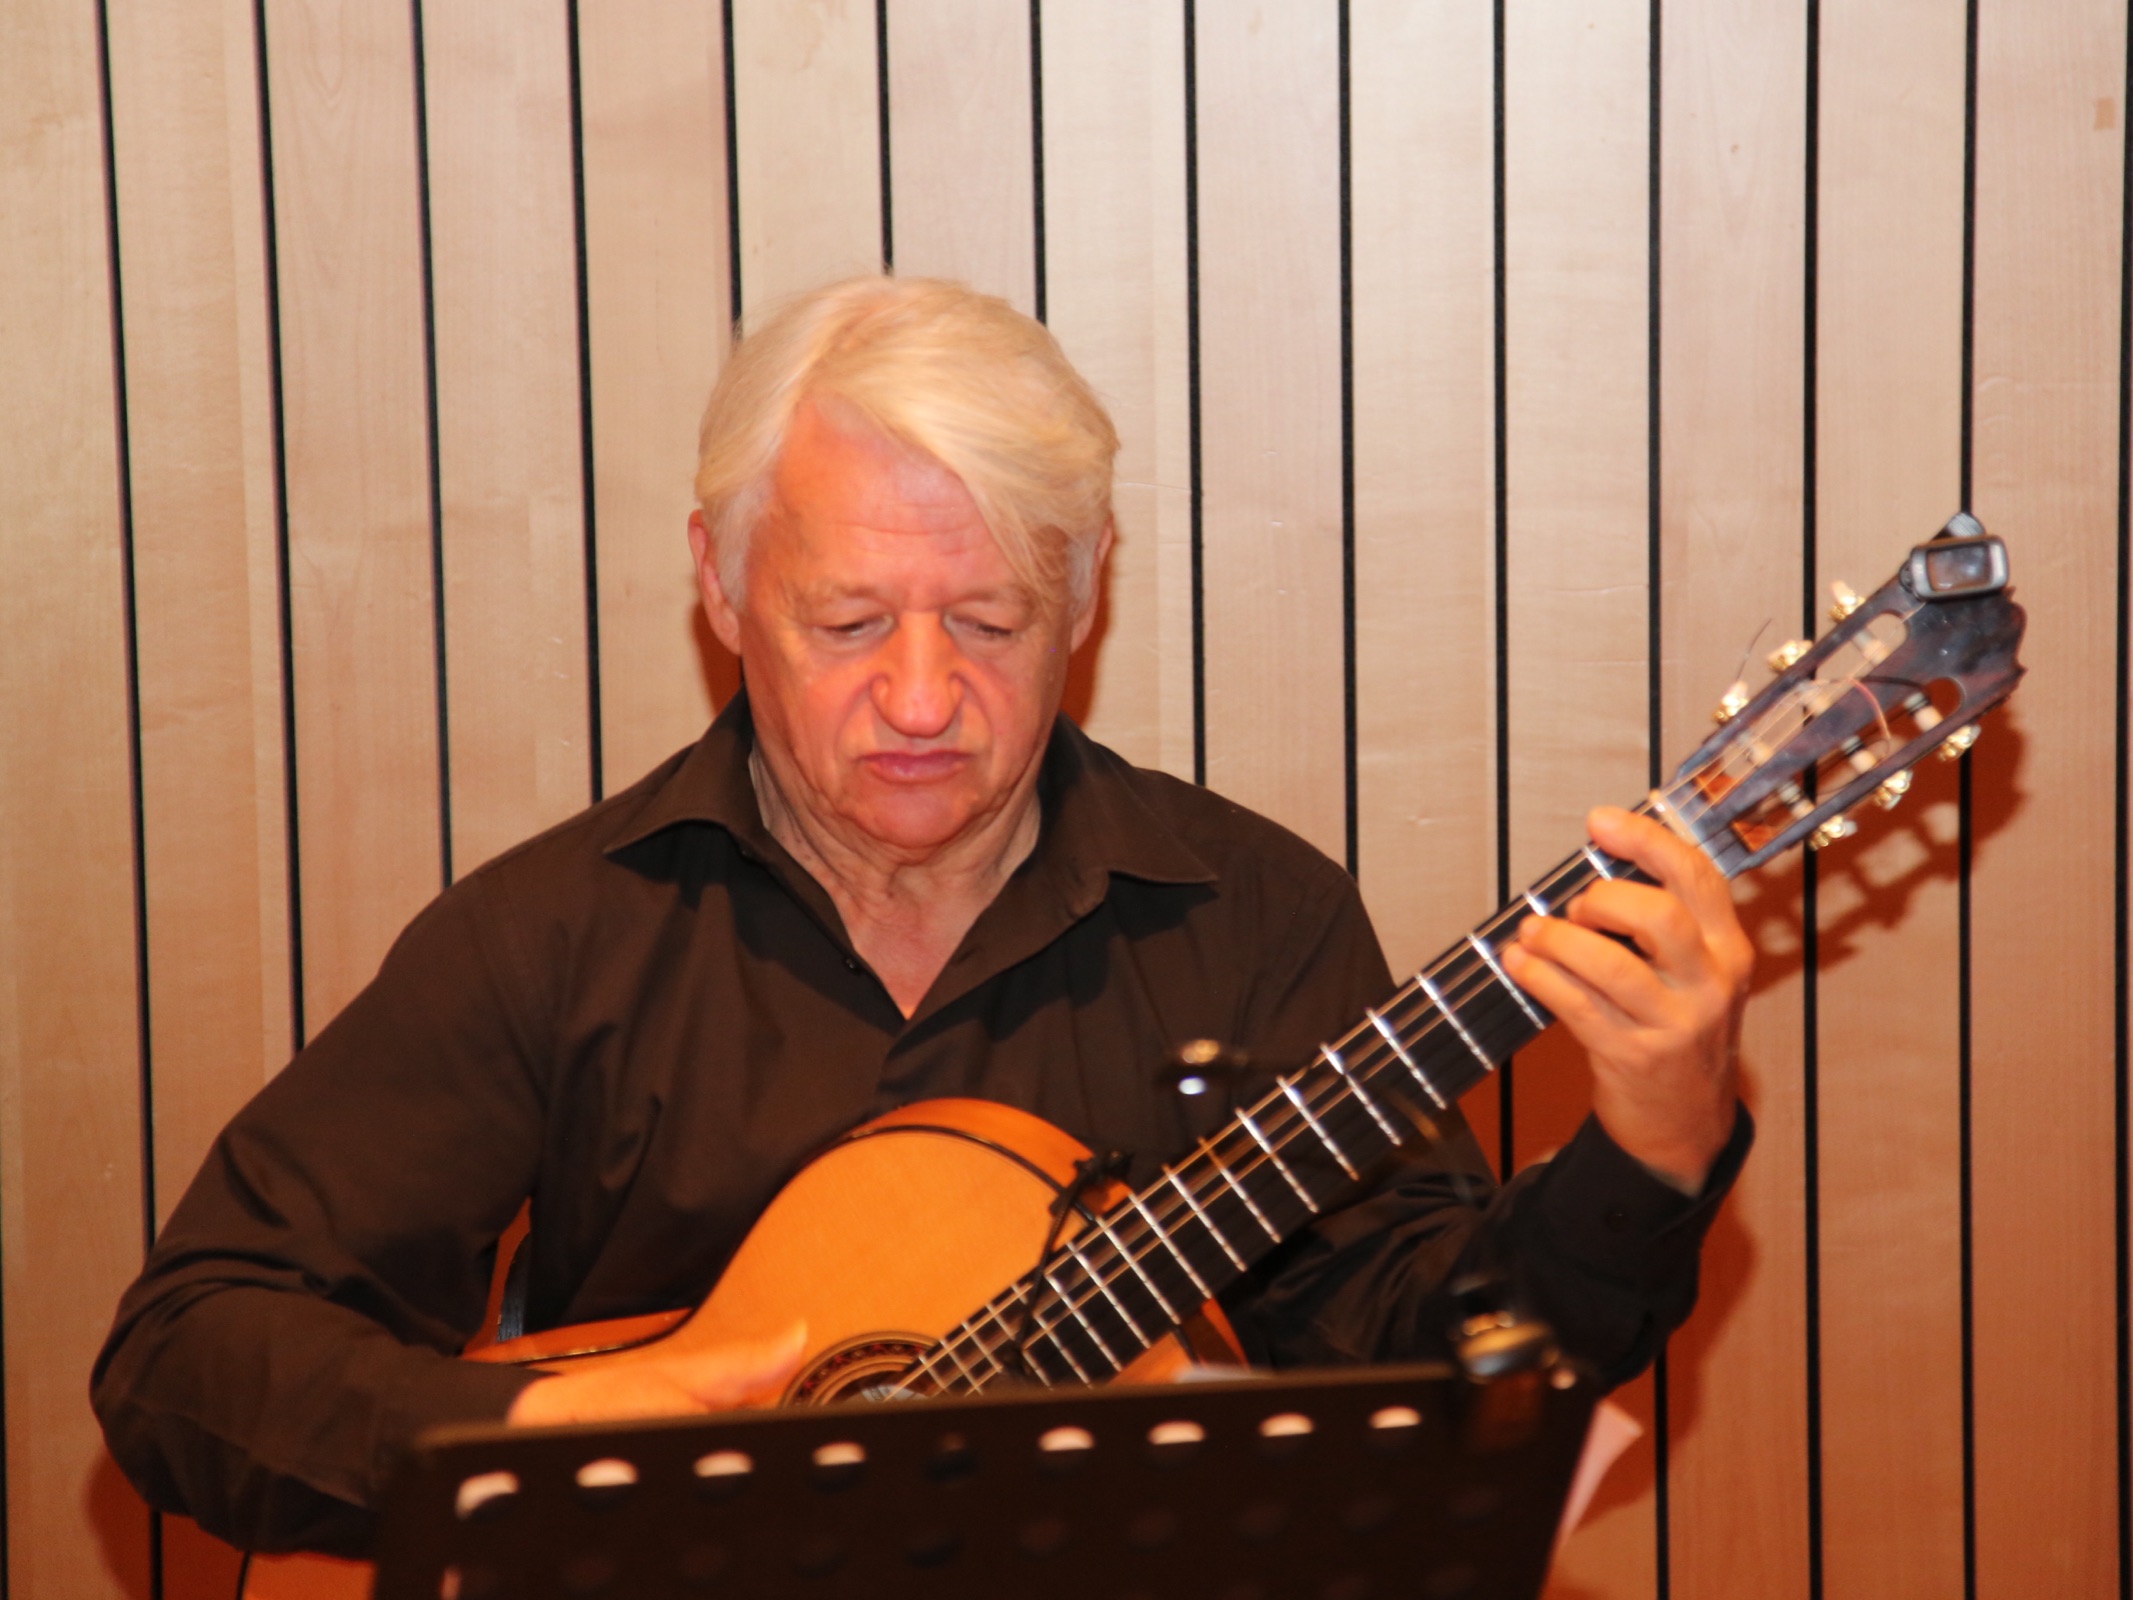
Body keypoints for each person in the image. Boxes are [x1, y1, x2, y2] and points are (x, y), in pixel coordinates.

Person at [92, 275, 1754, 1557]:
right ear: (721, 584)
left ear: (1086, 591)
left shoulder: (1250, 918)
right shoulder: (558, 937)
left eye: (988, 620)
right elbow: (184, 1352)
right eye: (846, 622)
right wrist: (539, 1437)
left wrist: (1653, 1147)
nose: (917, 697)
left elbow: (1454, 1375)